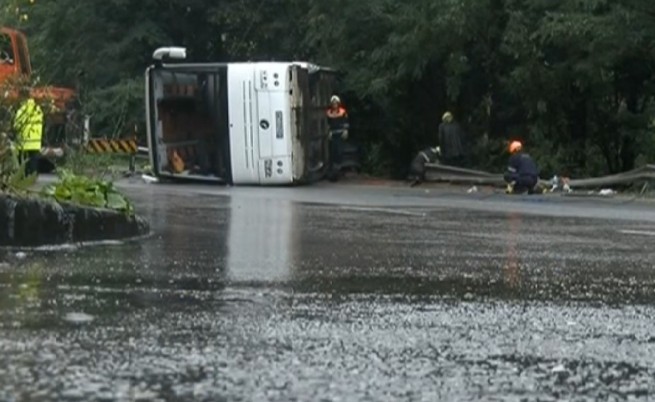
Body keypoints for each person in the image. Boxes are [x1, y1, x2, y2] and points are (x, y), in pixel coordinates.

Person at [13, 88, 44, 176]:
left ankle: (24, 177)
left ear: (22, 97)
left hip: (24, 141)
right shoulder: (38, 109)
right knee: (33, 162)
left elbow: (16, 126)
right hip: (36, 142)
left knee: (23, 163)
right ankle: (32, 177)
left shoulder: (22, 110)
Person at [326, 95, 349, 181]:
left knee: (339, 151)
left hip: (340, 134)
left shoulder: (342, 112)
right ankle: (332, 171)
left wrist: (345, 130)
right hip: (333, 134)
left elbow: (346, 121)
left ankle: (338, 169)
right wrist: (329, 132)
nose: (334, 104)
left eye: (336, 103)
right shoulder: (329, 113)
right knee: (332, 151)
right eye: (333, 103)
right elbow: (328, 123)